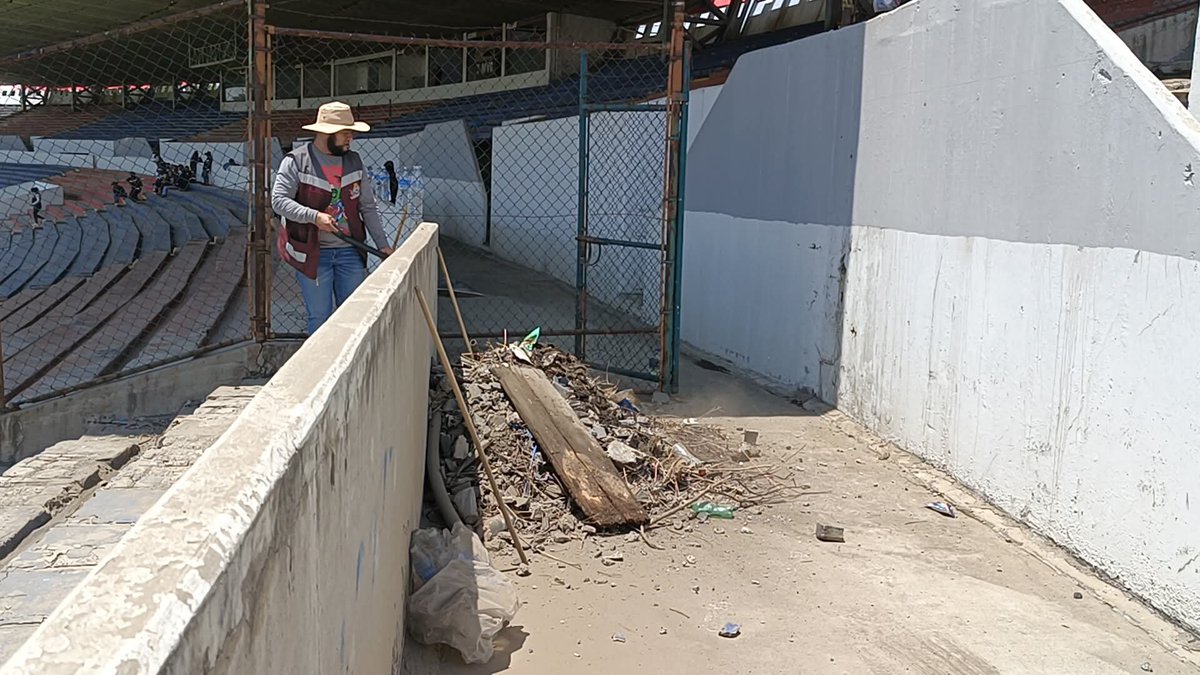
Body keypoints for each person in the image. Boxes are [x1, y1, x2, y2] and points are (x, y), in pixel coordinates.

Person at [272, 101, 394, 335]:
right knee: (320, 319)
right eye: (346, 133)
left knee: (354, 318)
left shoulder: (354, 161)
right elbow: (278, 201)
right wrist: (315, 217)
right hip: (312, 253)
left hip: (350, 250)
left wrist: (383, 246)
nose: (351, 138)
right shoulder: (296, 161)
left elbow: (367, 207)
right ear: (325, 133)